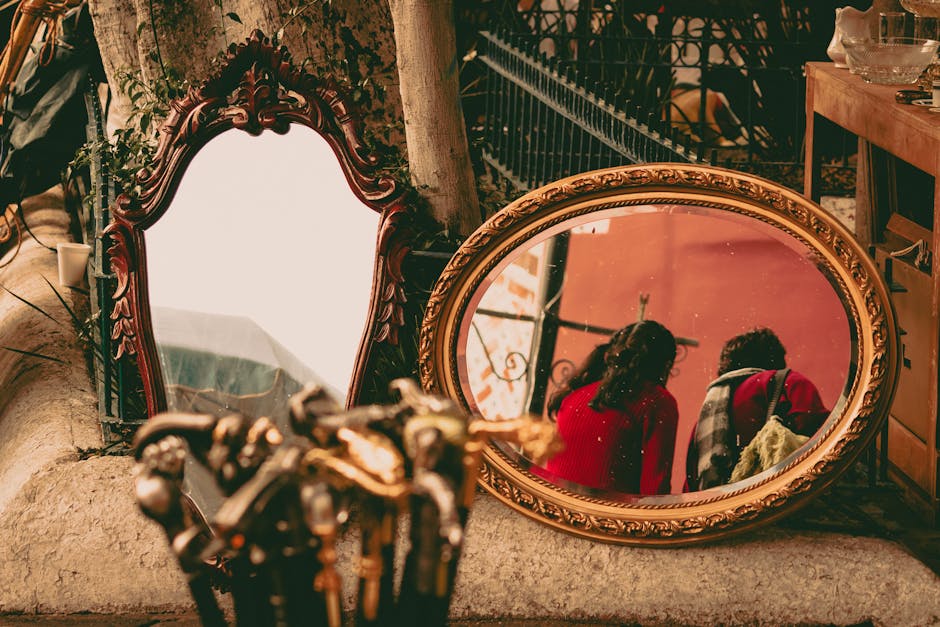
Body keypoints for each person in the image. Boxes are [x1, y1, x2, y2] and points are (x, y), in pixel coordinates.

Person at [539, 320, 679, 495]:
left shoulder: (574, 395)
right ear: (664, 365)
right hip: (603, 517)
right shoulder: (656, 401)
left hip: (553, 509)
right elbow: (655, 490)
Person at [685, 328, 830, 491]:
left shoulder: (704, 422)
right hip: (781, 502)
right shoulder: (788, 383)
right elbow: (824, 439)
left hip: (723, 511)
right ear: (775, 359)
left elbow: (690, 485)